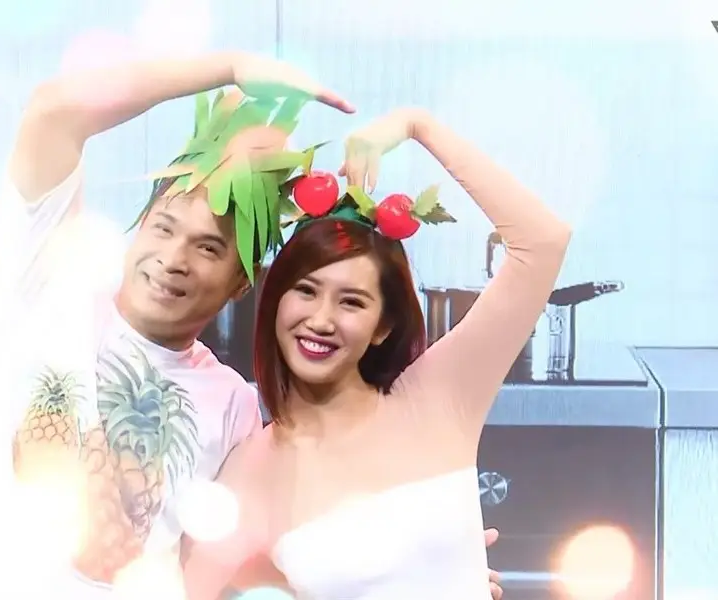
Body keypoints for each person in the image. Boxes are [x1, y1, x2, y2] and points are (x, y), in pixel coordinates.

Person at [0, 51, 352, 599]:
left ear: (240, 283)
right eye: (163, 228)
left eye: (208, 248)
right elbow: (53, 112)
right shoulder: (48, 293)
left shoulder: (234, 404)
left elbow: (226, 569)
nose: (174, 258)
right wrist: (229, 67)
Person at [183, 106, 570, 599]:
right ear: (275, 300)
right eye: (306, 291)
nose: (321, 319)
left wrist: (417, 125)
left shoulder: (436, 398)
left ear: (383, 325)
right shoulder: (251, 472)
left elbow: (543, 242)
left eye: (351, 302)